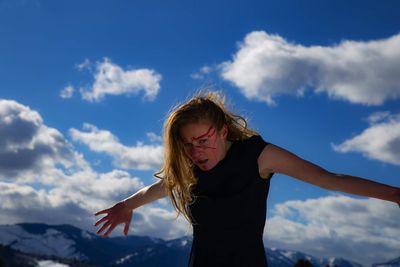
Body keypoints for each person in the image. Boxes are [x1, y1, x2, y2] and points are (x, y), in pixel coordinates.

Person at [94, 91, 400, 267]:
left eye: (202, 140)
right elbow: (164, 184)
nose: (195, 151)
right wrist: (127, 204)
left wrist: (396, 194)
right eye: (187, 144)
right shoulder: (190, 166)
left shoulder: (258, 156)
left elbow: (329, 179)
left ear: (224, 131)